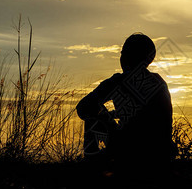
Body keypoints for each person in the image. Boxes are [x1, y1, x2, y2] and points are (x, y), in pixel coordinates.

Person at [76, 33, 177, 178]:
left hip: (131, 153)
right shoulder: (159, 82)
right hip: (162, 154)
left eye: (123, 52)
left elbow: (83, 108)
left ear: (127, 56)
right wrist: (113, 115)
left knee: (92, 119)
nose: (121, 57)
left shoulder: (117, 81)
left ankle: (92, 170)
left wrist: (104, 116)